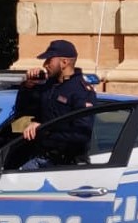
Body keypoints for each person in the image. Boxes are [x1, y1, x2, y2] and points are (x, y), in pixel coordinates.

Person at [19, 39, 96, 170]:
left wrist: (44, 129)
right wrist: (28, 86)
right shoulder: (48, 85)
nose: (45, 64)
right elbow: (22, 114)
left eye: (49, 60)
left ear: (64, 62)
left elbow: (81, 135)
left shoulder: (81, 91)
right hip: (41, 158)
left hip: (66, 166)